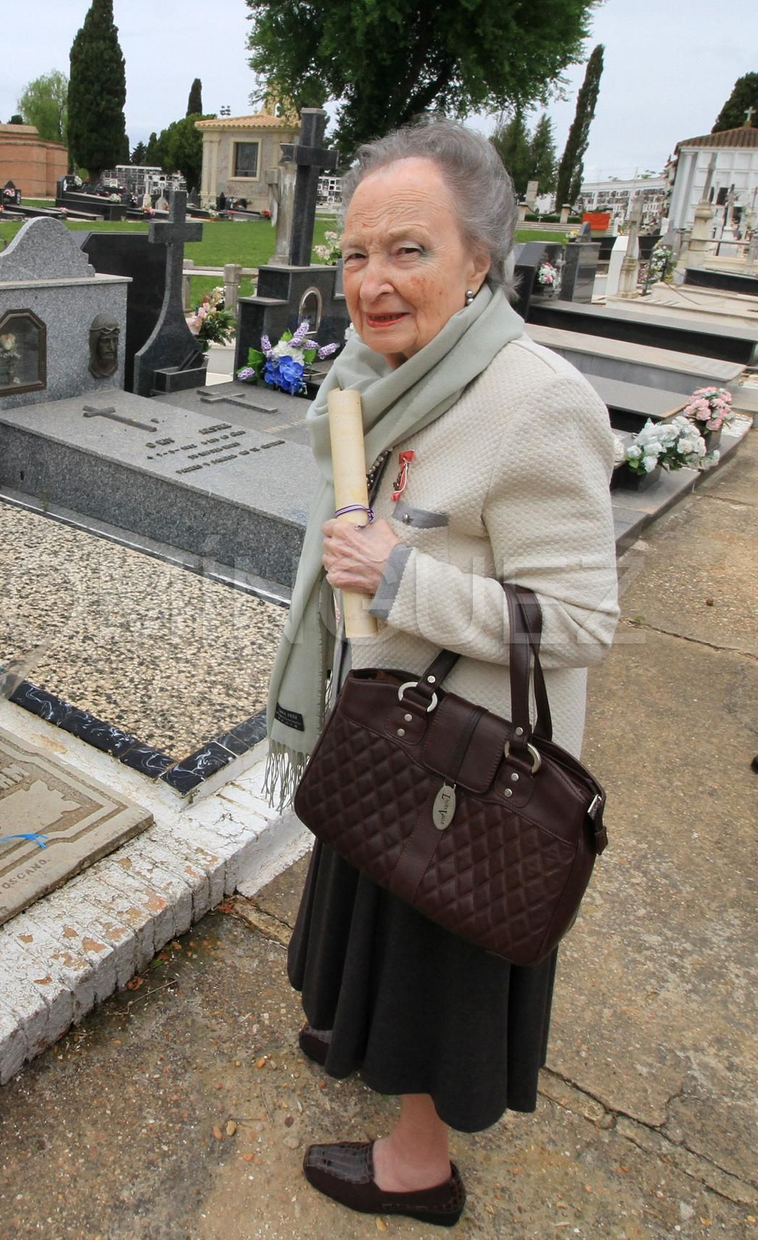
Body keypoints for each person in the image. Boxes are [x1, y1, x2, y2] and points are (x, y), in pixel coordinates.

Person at [262, 118, 620, 1228]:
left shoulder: (533, 400)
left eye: (407, 250)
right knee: (374, 914)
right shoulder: (379, 375)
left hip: (455, 770)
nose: (370, 281)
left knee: (429, 952)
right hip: (382, 733)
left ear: (479, 260)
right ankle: (352, 1023)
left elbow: (578, 620)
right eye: (356, 252)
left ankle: (419, 1162)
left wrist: (403, 577)